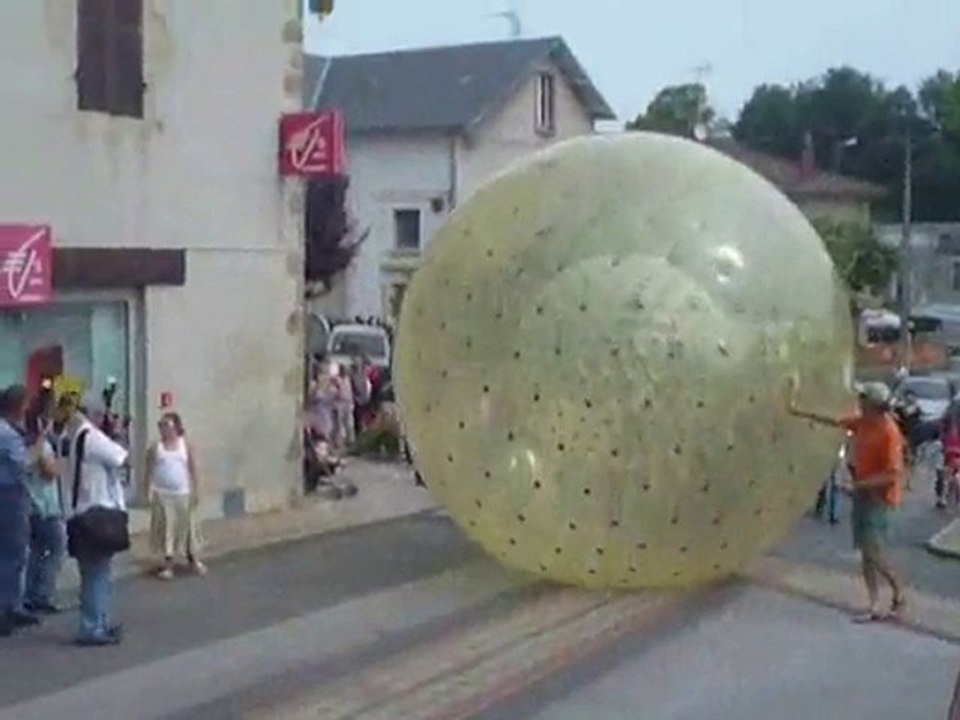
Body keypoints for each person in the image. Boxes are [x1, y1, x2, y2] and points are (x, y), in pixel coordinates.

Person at [788, 380, 907, 622]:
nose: (859, 402)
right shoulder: (864, 421)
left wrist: (857, 485)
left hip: (878, 499)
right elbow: (833, 420)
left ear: (874, 405)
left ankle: (899, 594)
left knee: (874, 552)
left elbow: (892, 475)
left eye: (863, 399)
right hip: (863, 495)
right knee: (866, 552)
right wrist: (797, 410)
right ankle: (873, 603)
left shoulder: (888, 432)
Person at [61, 393, 130, 646]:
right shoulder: (91, 437)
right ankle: (92, 627)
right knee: (97, 574)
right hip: (96, 512)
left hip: (80, 510)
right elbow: (121, 457)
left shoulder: (72, 436)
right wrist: (119, 432)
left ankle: (96, 621)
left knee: (92, 573)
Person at [145, 412, 205, 580]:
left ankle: (193, 559)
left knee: (188, 529)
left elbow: (193, 469)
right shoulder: (156, 447)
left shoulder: (185, 446)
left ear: (176, 427)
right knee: (166, 530)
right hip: (163, 494)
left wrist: (196, 490)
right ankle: (168, 564)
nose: (164, 429)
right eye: (161, 425)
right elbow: (148, 470)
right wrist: (147, 491)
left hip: (182, 493)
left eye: (167, 425)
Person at [23, 386, 66, 614]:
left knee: (37, 551)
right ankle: (43, 594)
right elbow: (51, 471)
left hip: (32, 504)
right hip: (46, 506)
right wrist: (60, 463)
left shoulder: (24, 441)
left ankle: (30, 594)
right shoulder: (41, 445)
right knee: (58, 549)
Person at [0, 385, 36, 636]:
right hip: (9, 495)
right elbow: (25, 464)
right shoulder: (7, 434)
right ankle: (5, 610)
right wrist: (41, 441)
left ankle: (13, 605)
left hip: (10, 493)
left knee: (15, 554)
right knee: (12, 554)